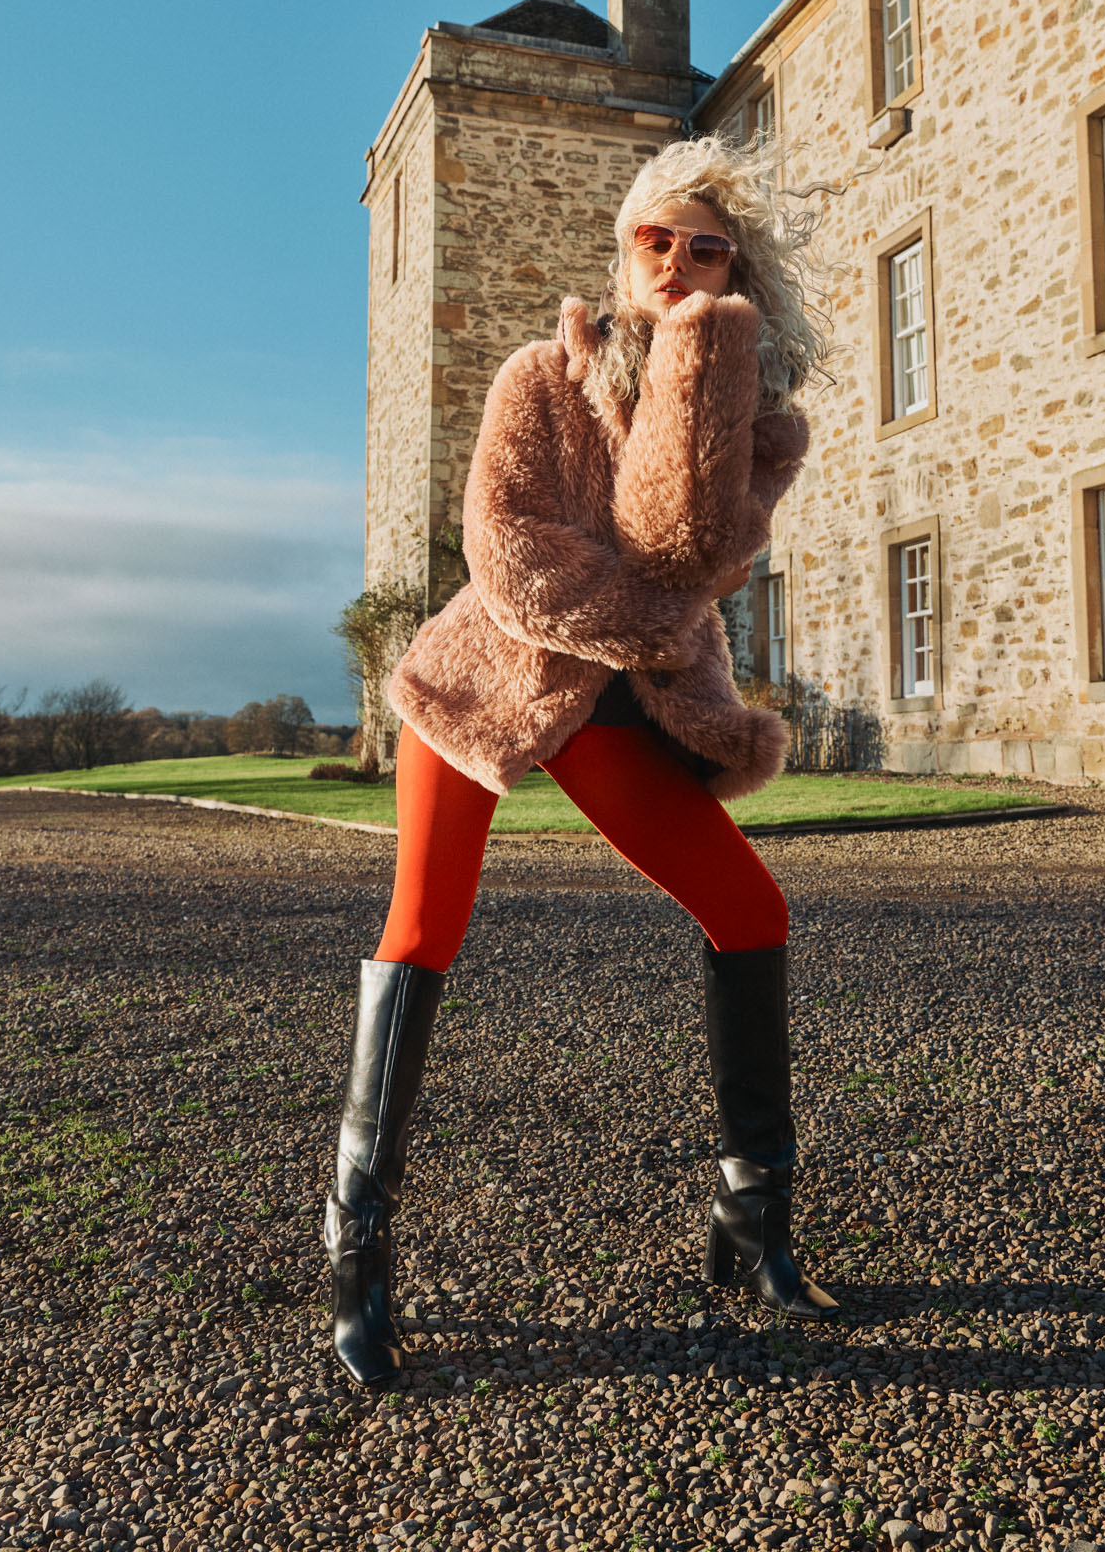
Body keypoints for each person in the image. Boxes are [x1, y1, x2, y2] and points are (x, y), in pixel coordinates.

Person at [324, 133, 840, 1388]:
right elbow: (511, 552)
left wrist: (700, 370)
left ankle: (750, 1212)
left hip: (632, 706)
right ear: (620, 250)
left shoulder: (754, 422)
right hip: (482, 678)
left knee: (747, 905)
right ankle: (358, 1243)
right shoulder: (534, 378)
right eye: (653, 238)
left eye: (703, 248)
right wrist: (654, 615)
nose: (673, 260)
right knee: (422, 925)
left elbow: (689, 551)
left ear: (736, 275)